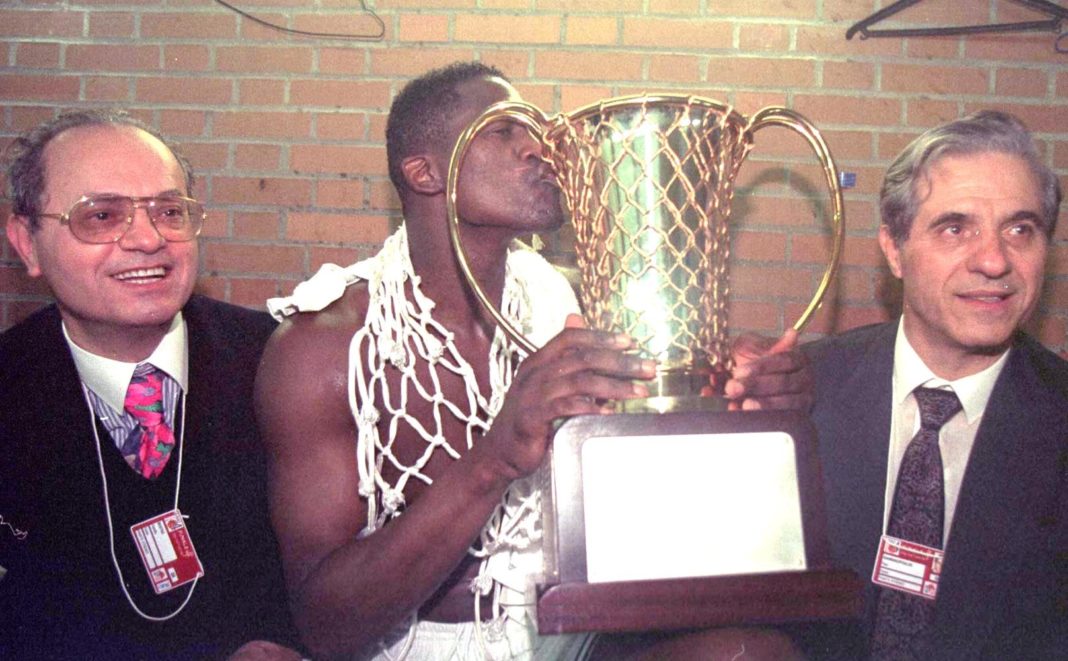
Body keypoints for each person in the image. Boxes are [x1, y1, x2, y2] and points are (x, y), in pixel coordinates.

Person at [257, 61, 812, 660]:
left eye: (537, 130)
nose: (540, 148)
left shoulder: (565, 307)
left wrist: (738, 405)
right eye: (503, 131)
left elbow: (655, 516)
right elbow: (325, 624)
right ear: (424, 172)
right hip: (412, 649)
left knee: (754, 653)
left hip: (571, 635)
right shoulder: (323, 345)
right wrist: (494, 457)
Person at [0, 110, 299, 659]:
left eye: (169, 211)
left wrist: (283, 639)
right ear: (27, 244)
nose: (147, 238)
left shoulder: (281, 362)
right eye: (101, 216)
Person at [800, 110, 1067, 660]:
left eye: (1020, 230)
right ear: (894, 250)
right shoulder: (801, 394)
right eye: (955, 228)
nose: (993, 261)